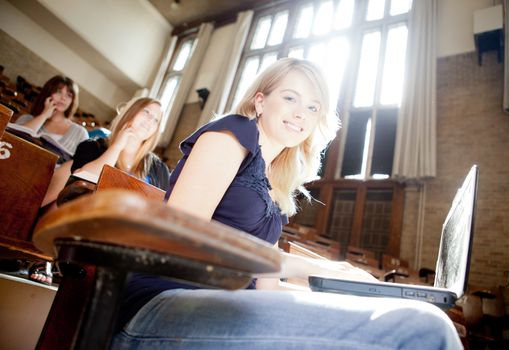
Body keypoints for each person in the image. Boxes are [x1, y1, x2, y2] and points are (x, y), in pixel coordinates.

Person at [111, 58, 462, 349]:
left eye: (313, 107)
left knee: (413, 322)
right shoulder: (230, 134)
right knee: (423, 330)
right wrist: (316, 267)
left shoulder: (272, 184)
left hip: (234, 306)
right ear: (260, 102)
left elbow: (266, 285)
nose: (301, 114)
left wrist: (345, 291)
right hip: (166, 308)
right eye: (291, 98)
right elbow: (180, 237)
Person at [33, 97, 170, 285]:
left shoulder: (158, 168)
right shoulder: (93, 146)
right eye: (146, 112)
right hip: (89, 221)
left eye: (156, 119)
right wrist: (117, 146)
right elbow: (81, 180)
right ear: (132, 112)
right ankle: (46, 257)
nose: (150, 121)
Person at [15, 75, 88, 163]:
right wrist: (44, 115)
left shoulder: (80, 133)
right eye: (58, 92)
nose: (63, 98)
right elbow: (16, 142)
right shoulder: (26, 118)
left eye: (69, 95)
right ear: (48, 94)